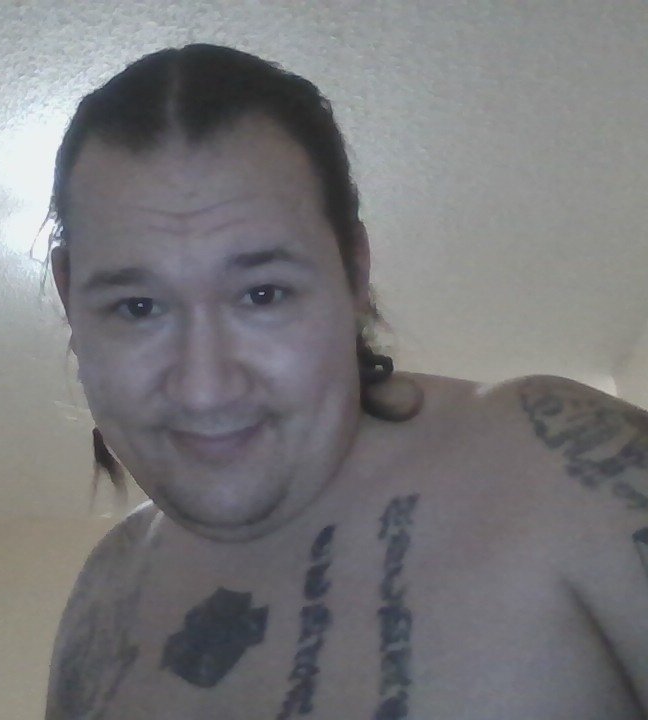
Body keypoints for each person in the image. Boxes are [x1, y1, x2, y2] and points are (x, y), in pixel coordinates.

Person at [43, 44, 648, 720]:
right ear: (70, 299)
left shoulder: (562, 470)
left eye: (263, 294)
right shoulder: (103, 596)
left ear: (354, 272)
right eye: (138, 307)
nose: (204, 389)